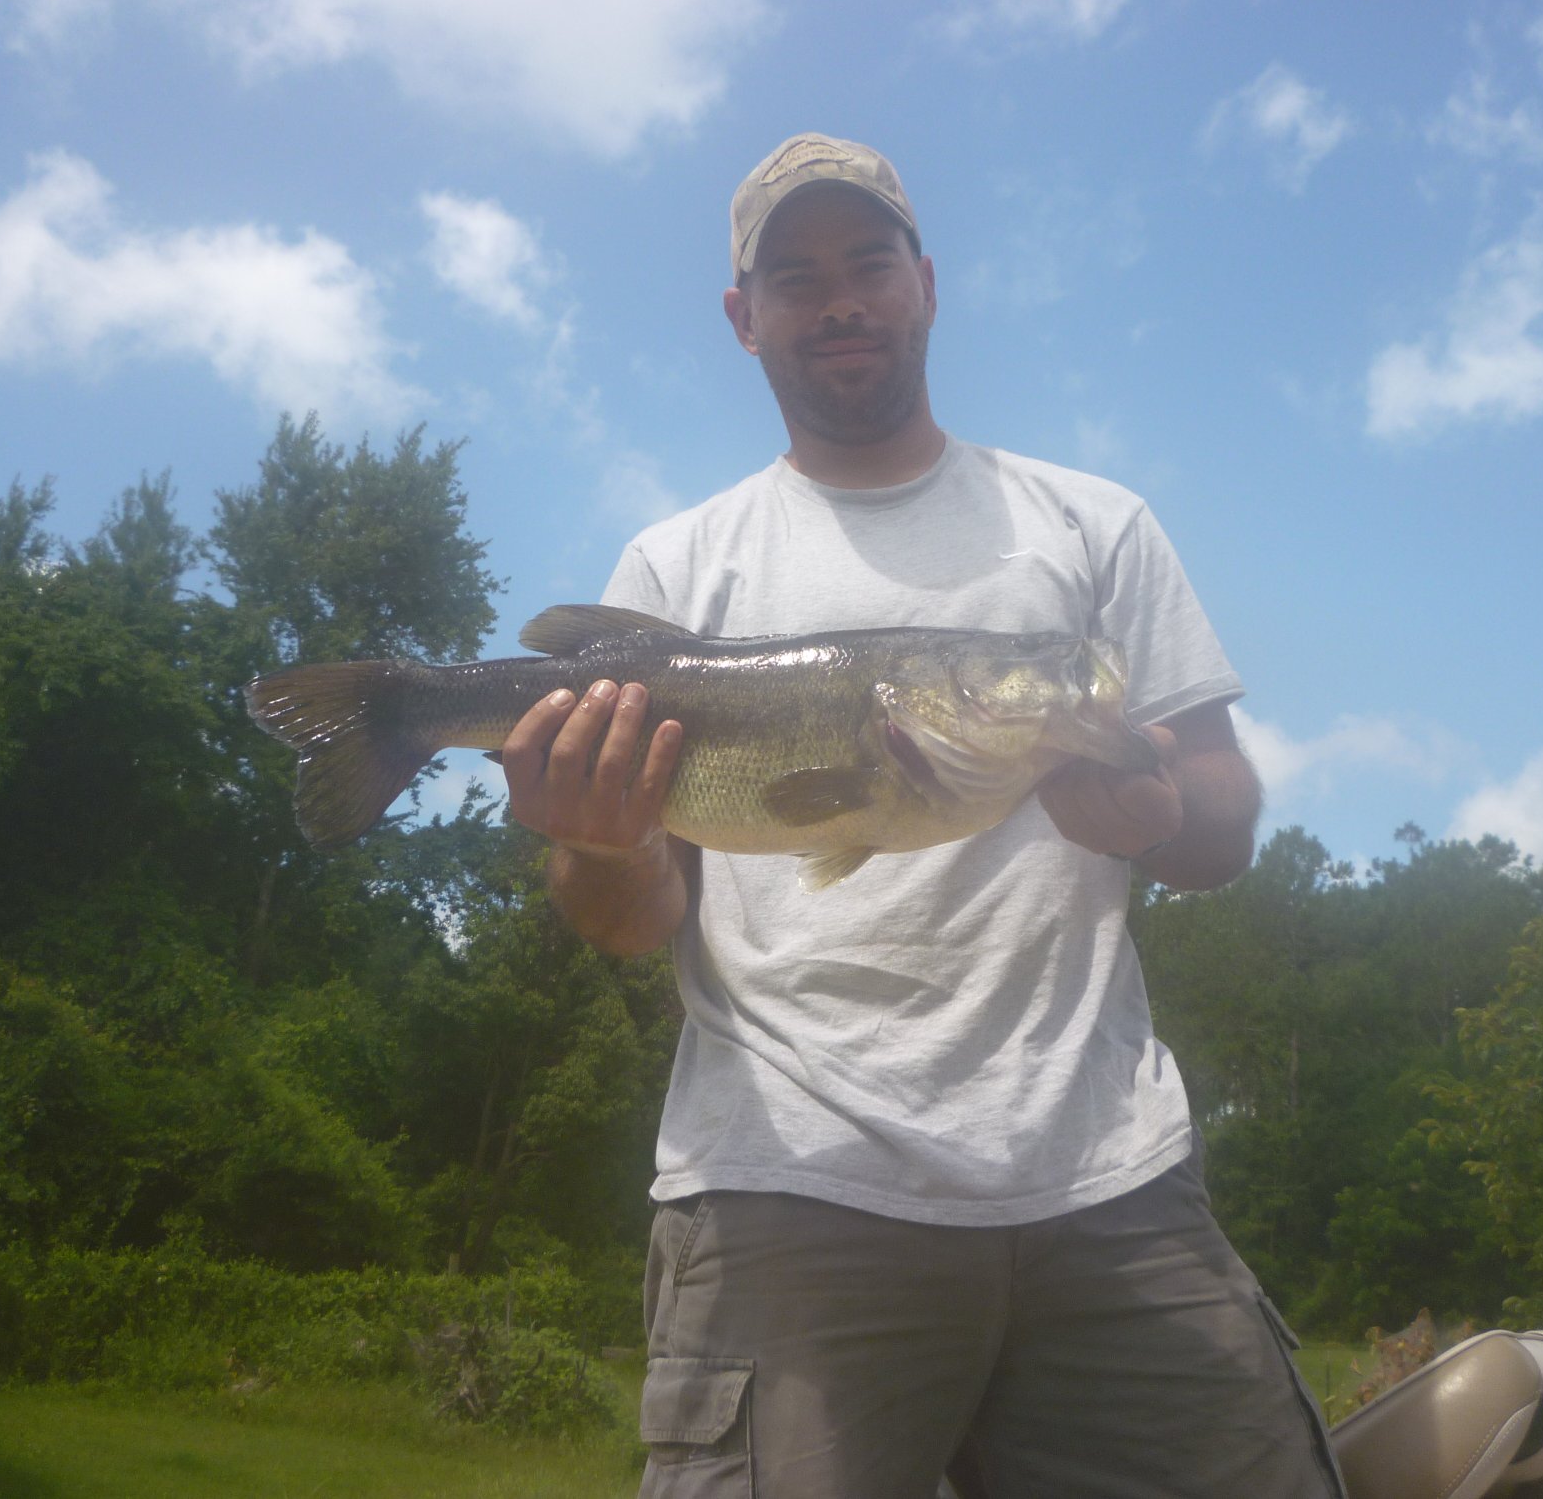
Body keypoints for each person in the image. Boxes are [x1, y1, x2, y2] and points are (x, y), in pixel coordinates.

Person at [501, 134, 1345, 1499]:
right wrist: (600, 842)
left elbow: (1225, 819)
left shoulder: (1091, 527)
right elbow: (629, 917)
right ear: (745, 318)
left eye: (868, 265)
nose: (839, 301)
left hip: (1110, 1185)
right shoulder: (679, 568)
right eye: (797, 277)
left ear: (927, 284)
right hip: (783, 1185)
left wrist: (1145, 818)